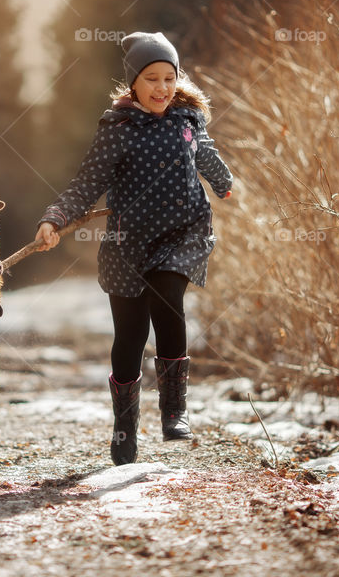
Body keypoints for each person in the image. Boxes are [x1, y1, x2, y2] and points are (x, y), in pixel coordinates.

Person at [35, 31, 233, 465]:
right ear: (133, 85)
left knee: (169, 303)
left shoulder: (188, 122)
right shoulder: (118, 130)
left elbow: (207, 155)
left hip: (182, 235)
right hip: (128, 245)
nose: (162, 88)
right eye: (151, 79)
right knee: (129, 337)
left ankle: (174, 411)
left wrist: (224, 182)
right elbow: (87, 183)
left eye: (169, 77)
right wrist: (55, 218)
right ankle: (124, 429)